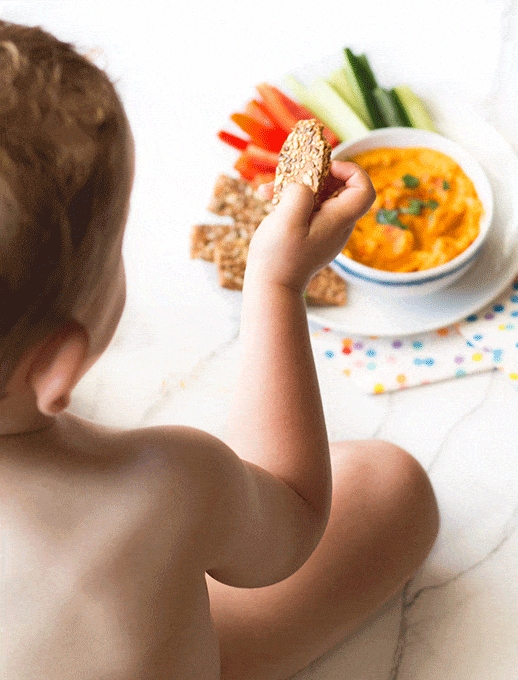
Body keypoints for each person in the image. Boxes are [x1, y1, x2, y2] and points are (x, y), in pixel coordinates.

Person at [0, 21, 439, 680]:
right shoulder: (162, 483)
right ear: (57, 366)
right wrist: (277, 280)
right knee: (390, 489)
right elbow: (291, 512)